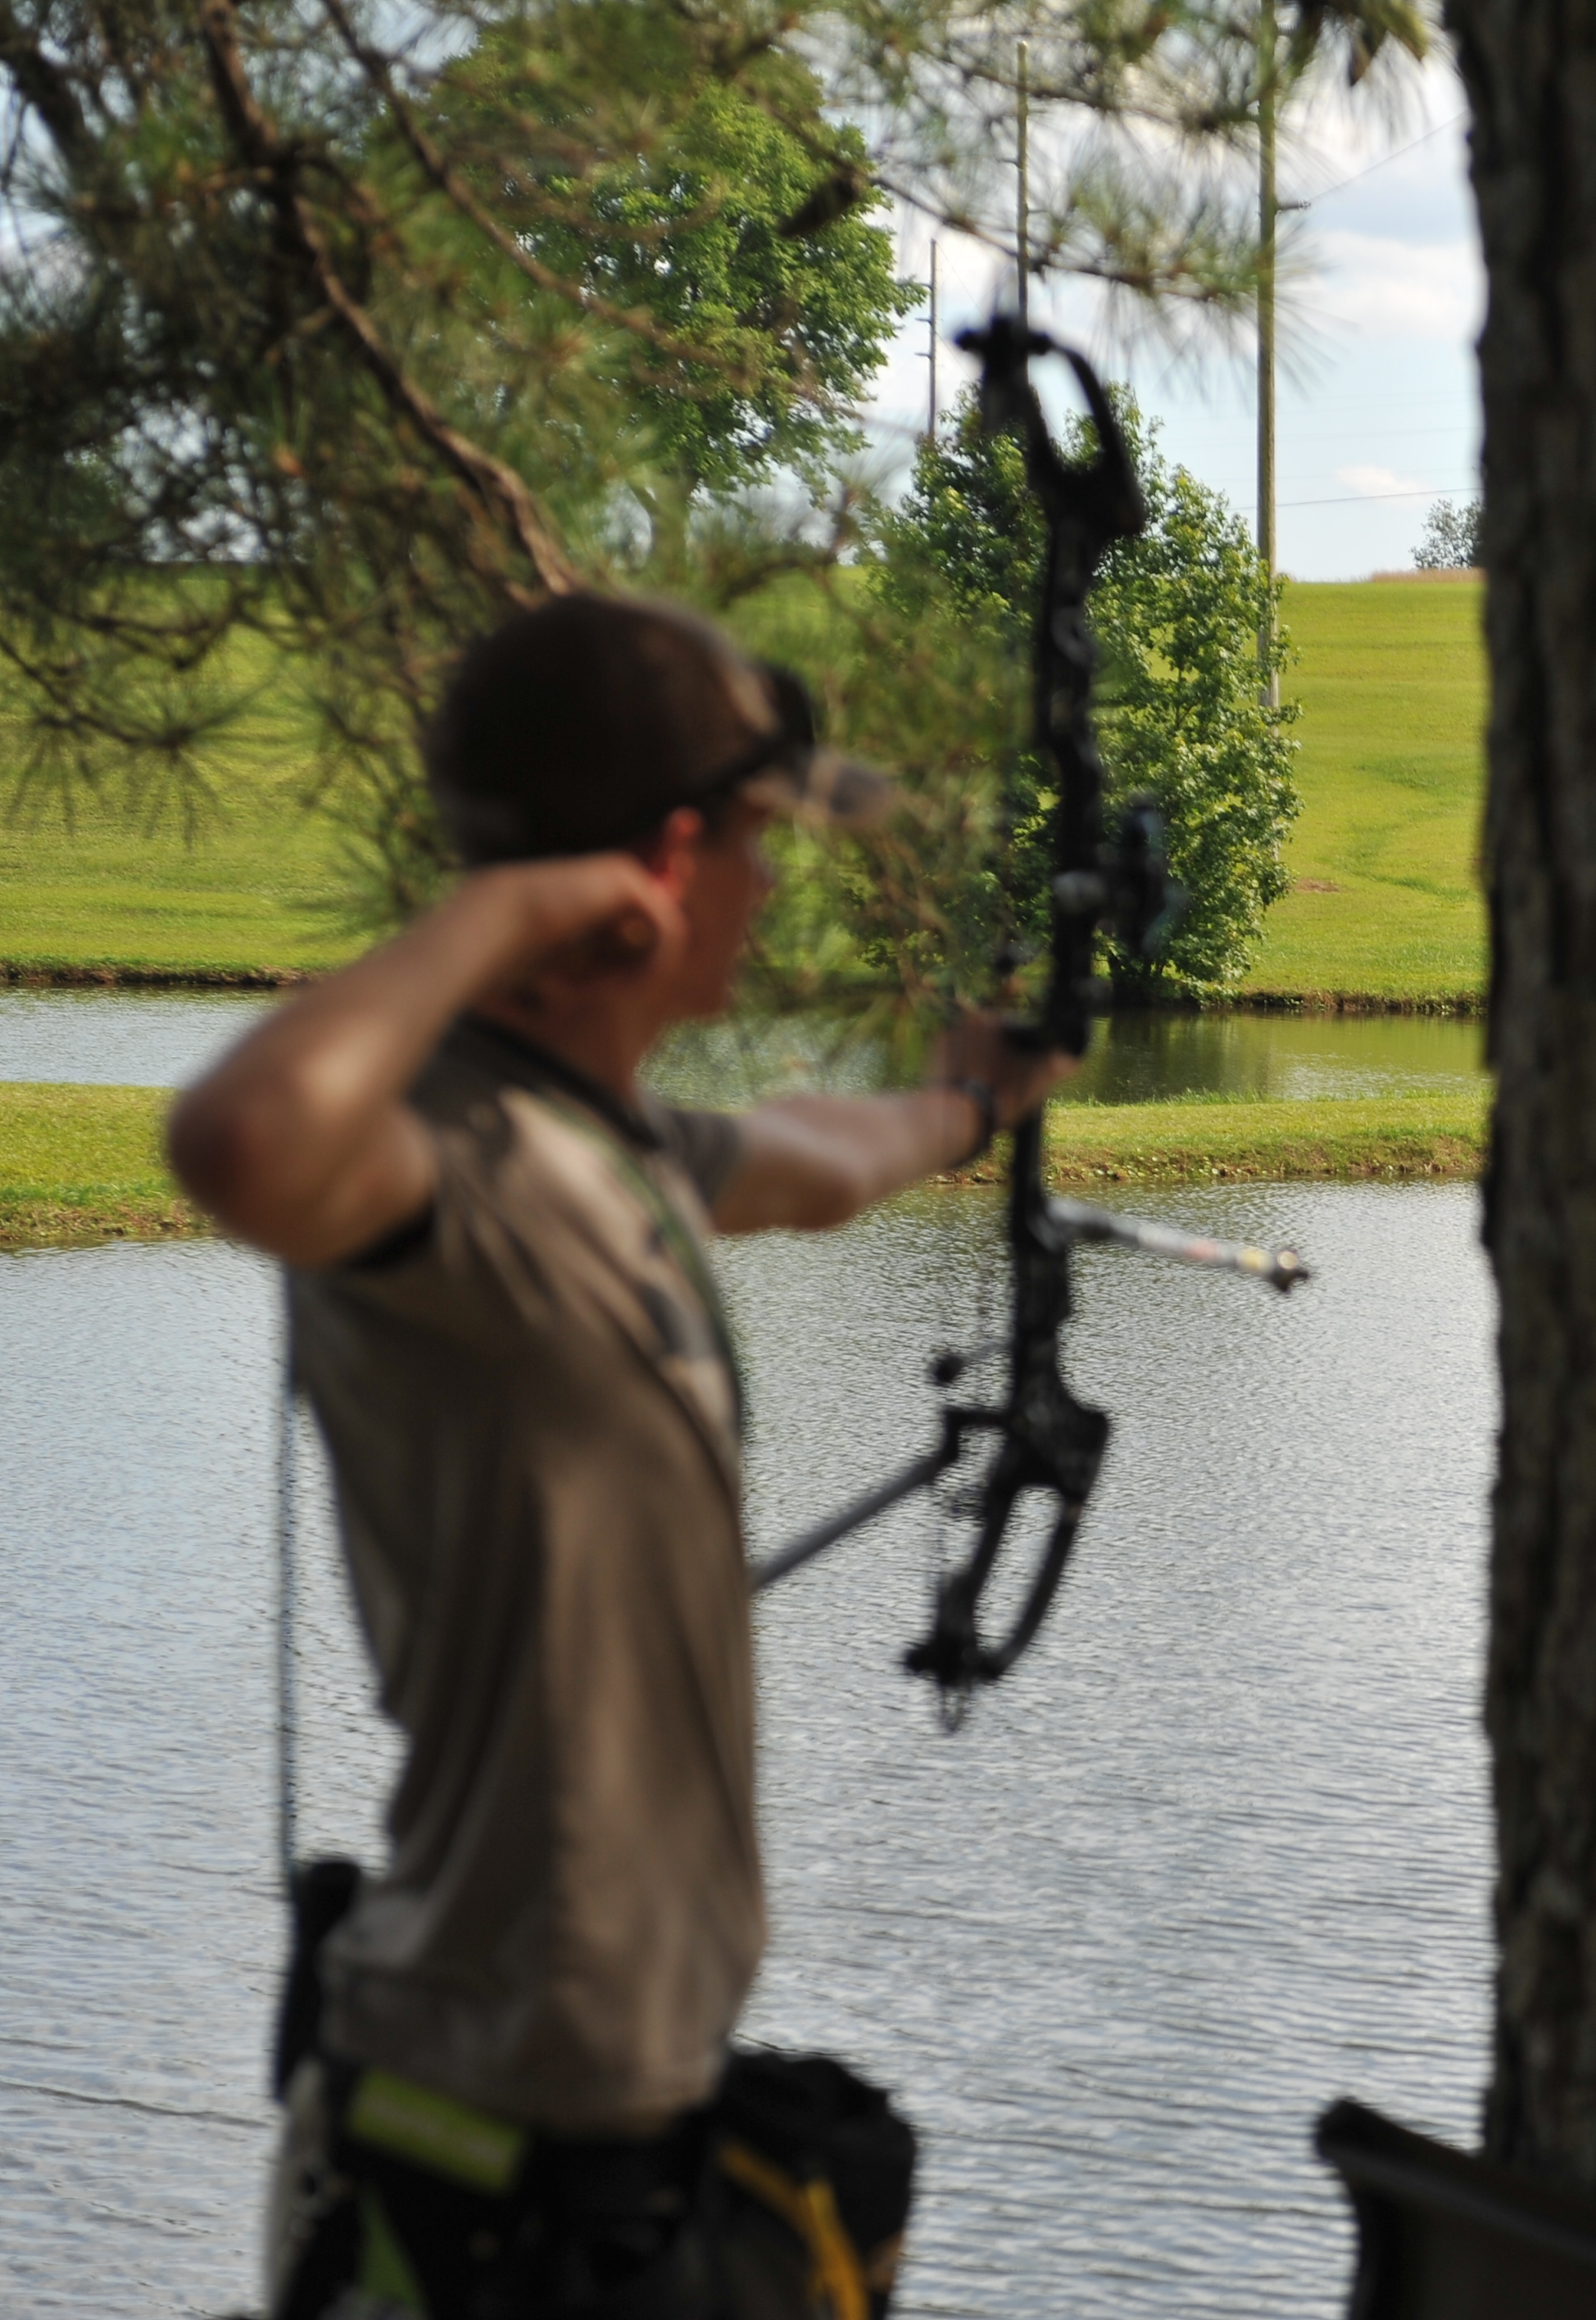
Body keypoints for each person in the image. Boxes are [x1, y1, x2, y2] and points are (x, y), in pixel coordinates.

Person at [168, 593, 1074, 2318]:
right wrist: (514, 908)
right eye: (754, 842)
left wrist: (970, 1106)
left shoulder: (613, 1149)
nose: (772, 881)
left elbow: (814, 1156)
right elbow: (243, 1136)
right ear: (665, 860)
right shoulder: (444, 1167)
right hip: (483, 2136)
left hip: (595, 2122)